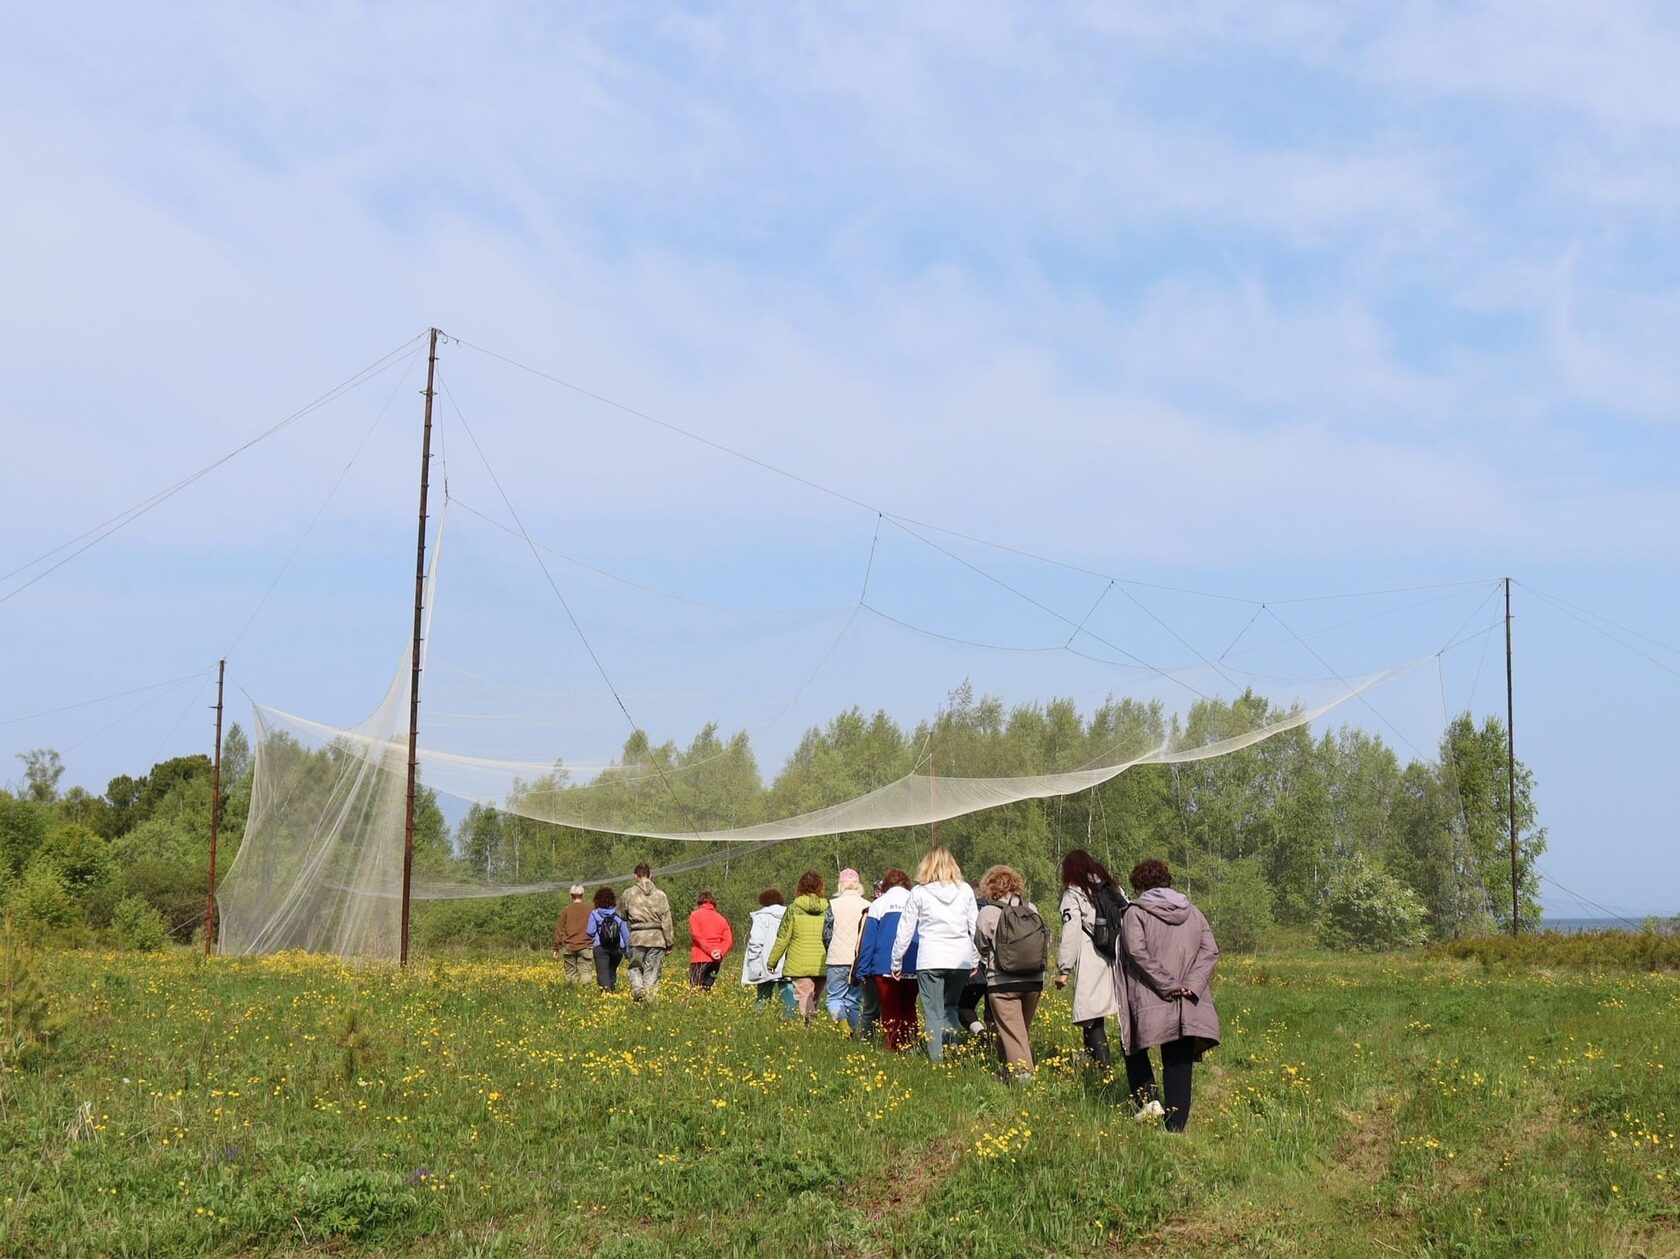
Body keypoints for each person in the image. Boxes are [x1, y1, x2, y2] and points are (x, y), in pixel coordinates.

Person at [1120, 859, 1220, 1133]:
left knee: (1132, 1044)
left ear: (1139, 884)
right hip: (1189, 999)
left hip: (1151, 996)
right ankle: (1175, 1128)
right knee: (1178, 1060)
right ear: (1168, 881)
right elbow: (1210, 951)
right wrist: (1191, 984)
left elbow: (1137, 952)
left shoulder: (1134, 913)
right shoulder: (1194, 913)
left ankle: (1148, 1102)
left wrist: (1169, 984)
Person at [891, 845, 978, 1063]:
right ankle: (954, 1052)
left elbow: (905, 930)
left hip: (930, 958)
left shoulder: (919, 892)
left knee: (932, 1011)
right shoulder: (965, 890)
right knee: (951, 1006)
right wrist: (975, 958)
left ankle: (937, 1060)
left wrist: (896, 961)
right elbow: (975, 927)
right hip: (960, 958)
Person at [973, 864, 1047, 1081]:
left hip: (1003, 982)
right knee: (1019, 1031)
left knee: (1013, 1034)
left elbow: (981, 945)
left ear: (990, 887)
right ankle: (1006, 1073)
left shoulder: (988, 912)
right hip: (1034, 979)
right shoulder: (1031, 908)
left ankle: (1024, 1079)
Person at [1056, 849, 1123, 1070]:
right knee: (1113, 1014)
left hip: (1092, 955)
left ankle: (1103, 1069)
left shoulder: (1073, 894)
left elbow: (1071, 931)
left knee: (1091, 1015)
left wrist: (1064, 969)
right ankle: (1106, 1064)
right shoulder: (1112, 888)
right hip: (1117, 954)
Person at [856, 868, 919, 1051]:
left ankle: (893, 1048)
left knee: (890, 1010)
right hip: (913, 964)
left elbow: (869, 940)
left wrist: (863, 970)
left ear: (886, 885)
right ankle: (911, 1046)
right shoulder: (915, 899)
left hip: (884, 966)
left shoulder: (879, 904)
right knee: (909, 1007)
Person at [769, 871, 830, 1019]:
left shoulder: (793, 909)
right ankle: (813, 1029)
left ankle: (809, 1033)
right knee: (813, 999)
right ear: (820, 887)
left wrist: (772, 961)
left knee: (804, 998)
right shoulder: (828, 909)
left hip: (799, 962)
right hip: (822, 962)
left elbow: (783, 938)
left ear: (800, 887)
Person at [822, 868, 871, 1029]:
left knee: (834, 998)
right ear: (859, 886)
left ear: (840, 885)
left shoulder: (832, 904)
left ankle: (842, 1022)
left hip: (837, 960)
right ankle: (851, 1031)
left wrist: (829, 949)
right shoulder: (868, 905)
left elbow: (826, 933)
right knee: (854, 999)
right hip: (858, 960)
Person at [621, 863, 674, 1001]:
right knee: (653, 971)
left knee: (635, 967)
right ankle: (650, 999)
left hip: (637, 937)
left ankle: (638, 988)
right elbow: (666, 921)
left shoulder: (628, 893)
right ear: (650, 876)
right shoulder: (661, 895)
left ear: (635, 877)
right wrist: (669, 943)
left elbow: (622, 915)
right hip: (657, 938)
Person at [741, 889, 794, 1010]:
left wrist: (753, 960)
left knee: (763, 996)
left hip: (765, 963)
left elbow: (755, 941)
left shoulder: (761, 917)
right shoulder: (790, 915)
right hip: (787, 962)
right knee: (789, 995)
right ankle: (790, 1022)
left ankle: (758, 1022)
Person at [958, 881, 994, 1035]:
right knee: (993, 1010)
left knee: (963, 1007)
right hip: (996, 968)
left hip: (975, 968)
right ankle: (994, 1042)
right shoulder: (995, 910)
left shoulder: (965, 911)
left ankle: (980, 1033)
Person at [687, 892, 734, 989]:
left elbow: (696, 935)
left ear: (700, 903)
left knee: (695, 990)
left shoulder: (695, 915)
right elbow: (728, 940)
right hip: (716, 961)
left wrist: (710, 950)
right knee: (707, 989)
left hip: (699, 958)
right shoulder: (722, 919)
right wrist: (720, 952)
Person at [587, 886, 629, 991]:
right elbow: (625, 934)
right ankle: (613, 991)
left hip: (600, 947)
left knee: (602, 973)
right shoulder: (618, 914)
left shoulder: (595, 913)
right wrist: (627, 951)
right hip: (617, 948)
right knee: (612, 970)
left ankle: (606, 995)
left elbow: (590, 931)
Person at [552, 884, 593, 983]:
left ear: (571, 896)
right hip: (585, 946)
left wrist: (556, 947)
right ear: (583, 895)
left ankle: (571, 995)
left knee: (570, 974)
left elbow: (560, 929)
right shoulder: (589, 910)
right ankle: (586, 995)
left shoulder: (566, 910)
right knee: (585, 973)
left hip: (569, 946)